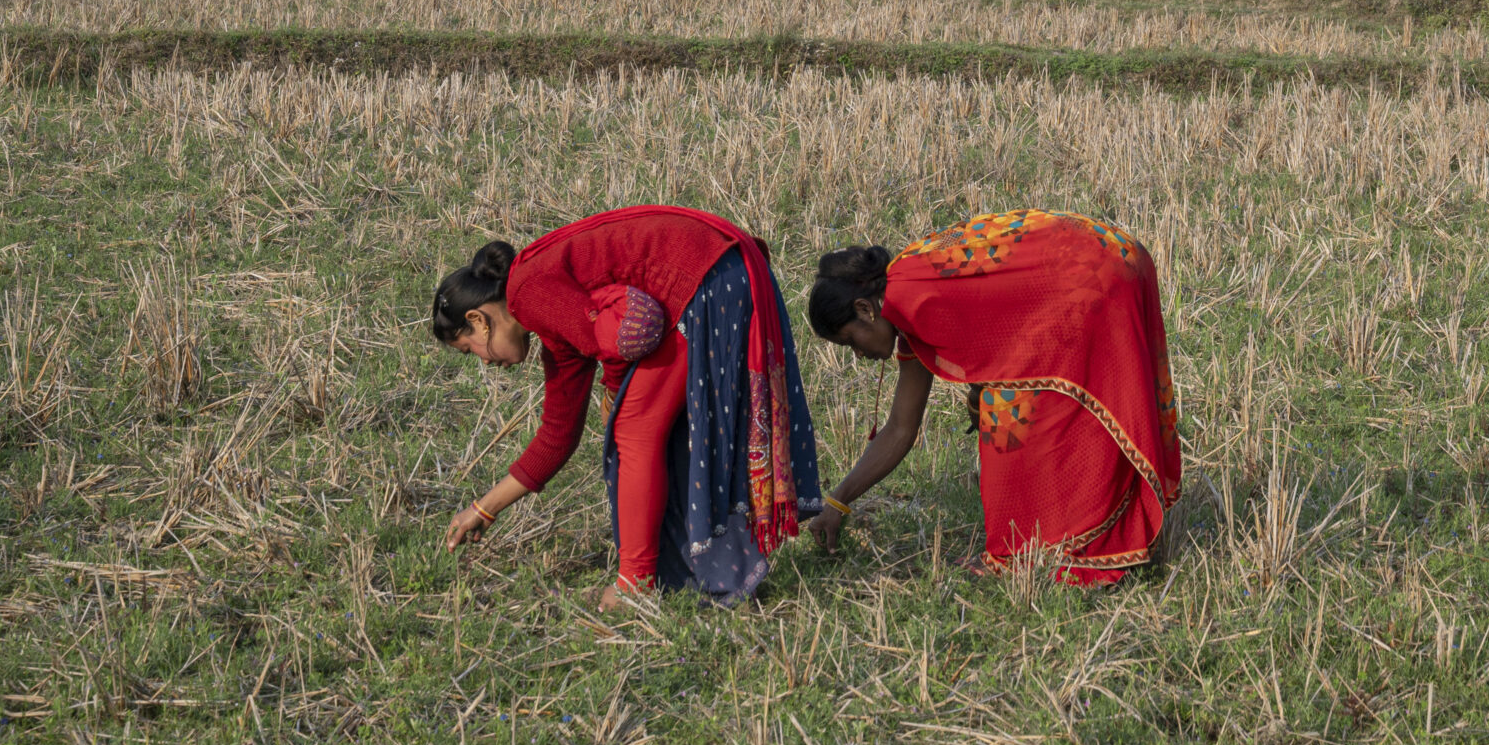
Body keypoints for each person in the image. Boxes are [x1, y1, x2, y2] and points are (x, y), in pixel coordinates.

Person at [433, 205, 819, 607]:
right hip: (725, 266)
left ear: (478, 320)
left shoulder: (528, 291)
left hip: (703, 275)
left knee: (633, 431)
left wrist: (615, 395)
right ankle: (689, 568)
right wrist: (484, 509)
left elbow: (623, 343)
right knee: (647, 428)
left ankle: (634, 585)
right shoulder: (553, 322)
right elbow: (557, 436)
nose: (486, 362)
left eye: (469, 350)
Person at [802, 209, 1180, 585]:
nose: (860, 356)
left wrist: (984, 392)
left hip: (1092, 272)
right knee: (1013, 408)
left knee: (1009, 423)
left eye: (850, 341)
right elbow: (901, 429)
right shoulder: (908, 289)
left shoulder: (914, 295)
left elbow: (992, 360)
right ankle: (1074, 545)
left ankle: (1039, 555)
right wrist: (837, 501)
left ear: (865, 310)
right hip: (1116, 251)